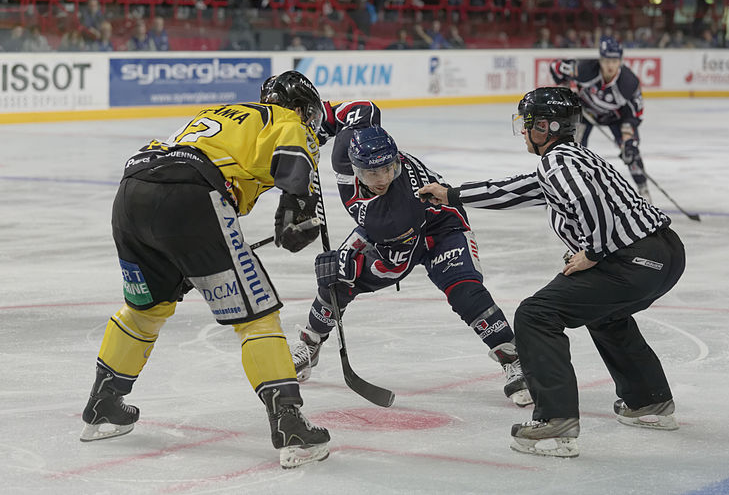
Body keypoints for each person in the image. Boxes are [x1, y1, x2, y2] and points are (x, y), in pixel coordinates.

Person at [79, 71, 331, 469]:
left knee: (146, 309)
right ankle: (290, 426)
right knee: (258, 316)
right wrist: (299, 204)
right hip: (190, 196)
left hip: (131, 194)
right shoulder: (285, 119)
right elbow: (295, 162)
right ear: (299, 107)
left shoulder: (220, 112)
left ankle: (103, 404)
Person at [418, 87, 686, 458]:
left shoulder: (557, 164)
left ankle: (555, 420)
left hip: (632, 260)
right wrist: (452, 195)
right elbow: (515, 190)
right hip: (663, 254)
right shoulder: (572, 158)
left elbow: (586, 202)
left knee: (535, 314)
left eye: (527, 125)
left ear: (545, 126)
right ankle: (648, 402)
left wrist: (593, 252)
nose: (524, 132)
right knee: (606, 315)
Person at [276, 96, 531, 407]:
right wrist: (319, 129)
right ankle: (310, 344)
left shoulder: (394, 211)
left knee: (464, 290)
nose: (382, 178)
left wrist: (347, 260)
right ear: (355, 166)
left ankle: (513, 358)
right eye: (372, 173)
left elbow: (396, 262)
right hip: (393, 233)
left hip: (440, 229)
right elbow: (362, 109)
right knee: (335, 282)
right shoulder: (349, 148)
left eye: (388, 168)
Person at [549, 36, 652, 201]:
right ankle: (563, 191)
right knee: (571, 150)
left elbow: (634, 114)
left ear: (620, 61)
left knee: (631, 152)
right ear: (600, 60)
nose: (610, 65)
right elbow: (555, 67)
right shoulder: (583, 69)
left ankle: (644, 191)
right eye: (606, 60)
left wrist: (627, 140)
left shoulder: (629, 83)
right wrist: (565, 90)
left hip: (615, 117)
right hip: (585, 112)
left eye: (614, 61)